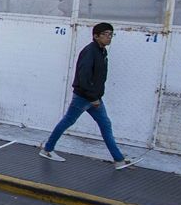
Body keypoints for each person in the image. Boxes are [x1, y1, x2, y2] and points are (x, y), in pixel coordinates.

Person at [39, 22, 135, 168]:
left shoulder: (102, 51)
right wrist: (93, 98)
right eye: (106, 34)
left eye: (111, 34)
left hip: (94, 98)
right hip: (84, 97)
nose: (109, 37)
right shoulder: (90, 52)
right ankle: (47, 149)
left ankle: (118, 159)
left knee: (105, 125)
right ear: (96, 36)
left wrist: (96, 97)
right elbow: (83, 77)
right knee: (68, 121)